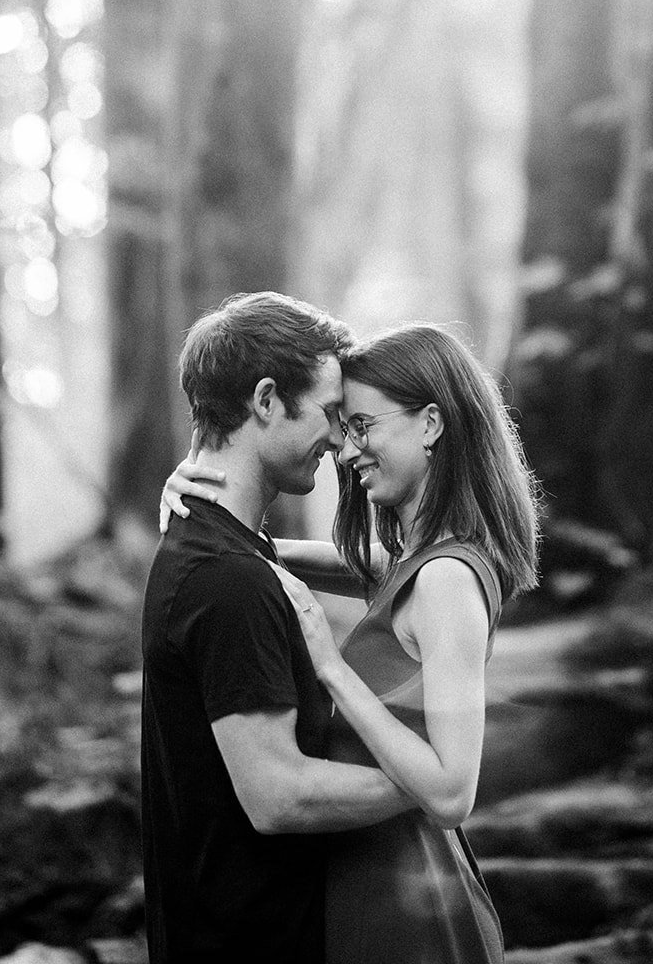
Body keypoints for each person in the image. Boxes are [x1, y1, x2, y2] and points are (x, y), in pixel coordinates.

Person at [162, 321, 541, 964]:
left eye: (362, 425)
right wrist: (199, 507)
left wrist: (335, 670)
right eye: (341, 423)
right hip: (373, 894)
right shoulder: (414, 565)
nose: (345, 447)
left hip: (415, 913)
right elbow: (265, 559)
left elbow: (453, 793)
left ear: (429, 424)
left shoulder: (447, 580)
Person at [142, 291, 412, 964]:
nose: (341, 438)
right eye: (327, 413)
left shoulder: (222, 554)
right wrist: (429, 783)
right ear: (265, 400)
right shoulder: (226, 581)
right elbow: (278, 796)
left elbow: (413, 573)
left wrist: (266, 553)